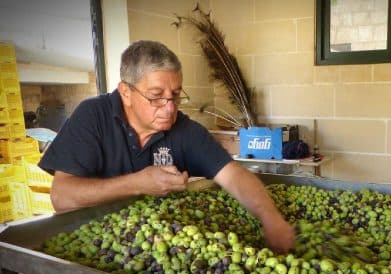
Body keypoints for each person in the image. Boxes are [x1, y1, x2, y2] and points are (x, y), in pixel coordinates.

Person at [39, 40, 294, 253]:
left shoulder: (185, 131)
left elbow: (234, 175)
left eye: (175, 95)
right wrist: (138, 183)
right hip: (95, 249)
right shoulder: (93, 116)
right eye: (155, 96)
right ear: (126, 92)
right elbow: (62, 197)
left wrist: (270, 218)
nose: (169, 108)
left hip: (161, 249)